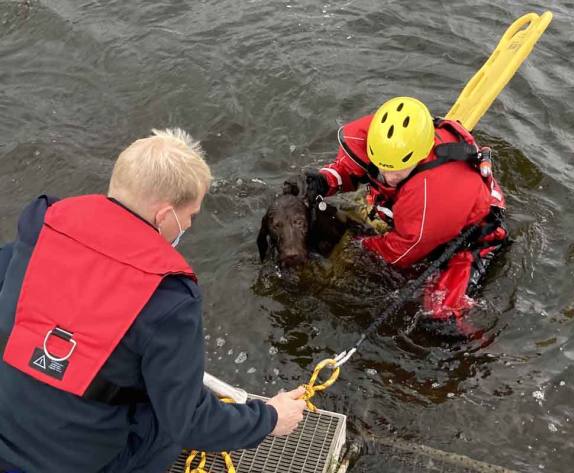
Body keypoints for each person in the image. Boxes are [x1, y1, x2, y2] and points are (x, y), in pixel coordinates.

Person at [0, 129, 307, 473]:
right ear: (164, 216)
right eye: (191, 215)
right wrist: (270, 418)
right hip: (76, 463)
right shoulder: (169, 297)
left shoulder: (42, 227)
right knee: (166, 426)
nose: (189, 224)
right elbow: (190, 422)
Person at [293, 97, 508, 336]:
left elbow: (401, 252)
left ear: (420, 156)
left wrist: (358, 247)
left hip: (471, 234)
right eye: (381, 165)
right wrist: (326, 180)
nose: (386, 175)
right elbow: (351, 166)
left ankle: (484, 349)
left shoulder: (431, 194)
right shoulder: (385, 141)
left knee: (438, 319)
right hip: (413, 211)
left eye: (395, 169)